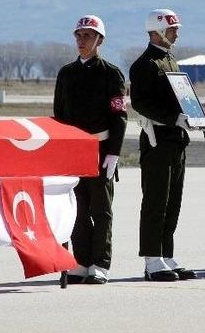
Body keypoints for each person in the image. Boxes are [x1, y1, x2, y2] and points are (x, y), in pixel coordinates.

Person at [53, 15, 128, 285]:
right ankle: (81, 262)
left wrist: (113, 153)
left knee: (101, 209)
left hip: (100, 149)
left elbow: (119, 116)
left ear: (100, 40)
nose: (81, 40)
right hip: (73, 151)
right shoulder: (66, 74)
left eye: (87, 36)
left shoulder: (111, 73)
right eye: (78, 36)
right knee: (78, 209)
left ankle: (100, 264)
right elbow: (59, 116)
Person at [129, 8, 197, 282]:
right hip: (158, 140)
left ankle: (166, 255)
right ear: (156, 31)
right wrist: (174, 117)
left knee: (173, 201)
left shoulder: (170, 60)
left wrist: (193, 113)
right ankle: (151, 259)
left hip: (176, 139)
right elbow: (140, 103)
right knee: (156, 200)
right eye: (172, 29)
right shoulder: (144, 65)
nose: (177, 33)